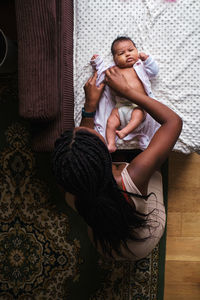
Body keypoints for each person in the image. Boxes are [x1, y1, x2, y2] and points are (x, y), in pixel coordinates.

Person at [52, 69, 182, 260]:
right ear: (104, 156)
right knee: (152, 165)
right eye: (99, 136)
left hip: (105, 248)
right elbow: (173, 122)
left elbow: (83, 156)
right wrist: (129, 92)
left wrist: (89, 108)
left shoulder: (72, 188)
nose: (96, 129)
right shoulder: (133, 178)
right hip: (142, 242)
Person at [91, 36, 159, 152]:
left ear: (136, 51)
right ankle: (111, 144)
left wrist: (147, 60)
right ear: (115, 59)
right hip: (120, 107)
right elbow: (101, 75)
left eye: (131, 50)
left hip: (138, 106)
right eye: (121, 53)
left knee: (139, 115)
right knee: (111, 121)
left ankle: (125, 131)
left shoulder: (140, 67)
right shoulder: (113, 70)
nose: (127, 54)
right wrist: (97, 63)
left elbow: (153, 73)